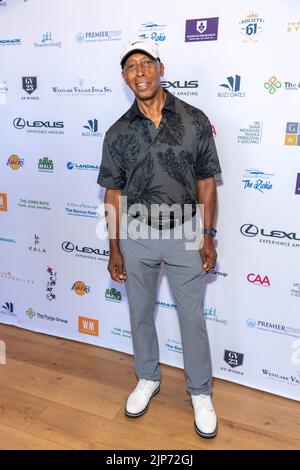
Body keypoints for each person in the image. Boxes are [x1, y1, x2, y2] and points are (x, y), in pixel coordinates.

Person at [97, 39, 221, 439]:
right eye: (131, 66)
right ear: (124, 77)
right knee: (139, 314)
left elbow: (206, 182)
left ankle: (200, 392)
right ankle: (147, 378)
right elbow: (112, 193)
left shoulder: (194, 119)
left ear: (159, 68)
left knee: (192, 318)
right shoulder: (118, 131)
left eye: (145, 63)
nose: (139, 72)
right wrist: (114, 246)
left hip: (185, 231)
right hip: (135, 234)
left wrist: (208, 236)